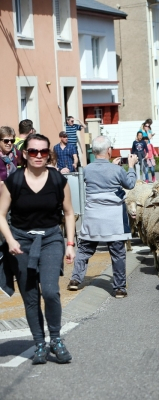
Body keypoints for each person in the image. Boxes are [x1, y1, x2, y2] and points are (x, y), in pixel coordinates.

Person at [0, 133, 76, 365]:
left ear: (48, 154)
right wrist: (11, 240)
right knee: (31, 297)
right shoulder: (13, 181)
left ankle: (55, 338)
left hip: (51, 238)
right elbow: (1, 215)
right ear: (25, 154)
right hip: (21, 243)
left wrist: (70, 244)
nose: (39, 156)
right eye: (33, 151)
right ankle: (39, 343)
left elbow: (69, 213)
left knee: (51, 291)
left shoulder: (57, 180)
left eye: (44, 152)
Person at [68, 135, 138, 300]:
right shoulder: (117, 170)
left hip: (93, 216)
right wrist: (132, 166)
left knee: (85, 249)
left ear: (93, 151)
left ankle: (75, 279)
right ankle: (119, 288)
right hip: (113, 219)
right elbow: (130, 184)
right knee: (118, 253)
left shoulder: (87, 169)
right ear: (109, 151)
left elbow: (98, 176)